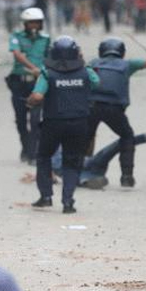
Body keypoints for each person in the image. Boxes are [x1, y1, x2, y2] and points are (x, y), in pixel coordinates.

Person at [27, 36, 100, 214]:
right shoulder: (85, 71)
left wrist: (30, 101)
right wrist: (83, 62)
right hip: (79, 123)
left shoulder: (47, 72)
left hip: (53, 123)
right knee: (72, 162)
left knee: (44, 157)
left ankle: (45, 197)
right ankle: (68, 202)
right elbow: (97, 83)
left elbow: (37, 96)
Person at [87, 38, 146, 187]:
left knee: (84, 137)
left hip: (91, 107)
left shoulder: (93, 63)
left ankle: (80, 169)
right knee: (127, 137)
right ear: (122, 52)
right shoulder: (127, 65)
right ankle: (126, 176)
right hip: (114, 109)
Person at [6, 7, 50, 164]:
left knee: (36, 119)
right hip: (19, 82)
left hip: (38, 83)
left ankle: (33, 153)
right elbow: (17, 54)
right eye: (31, 22)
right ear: (25, 23)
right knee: (21, 119)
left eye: (37, 23)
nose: (34, 25)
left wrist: (44, 72)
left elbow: (49, 57)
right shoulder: (16, 37)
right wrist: (33, 68)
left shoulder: (45, 39)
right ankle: (25, 148)